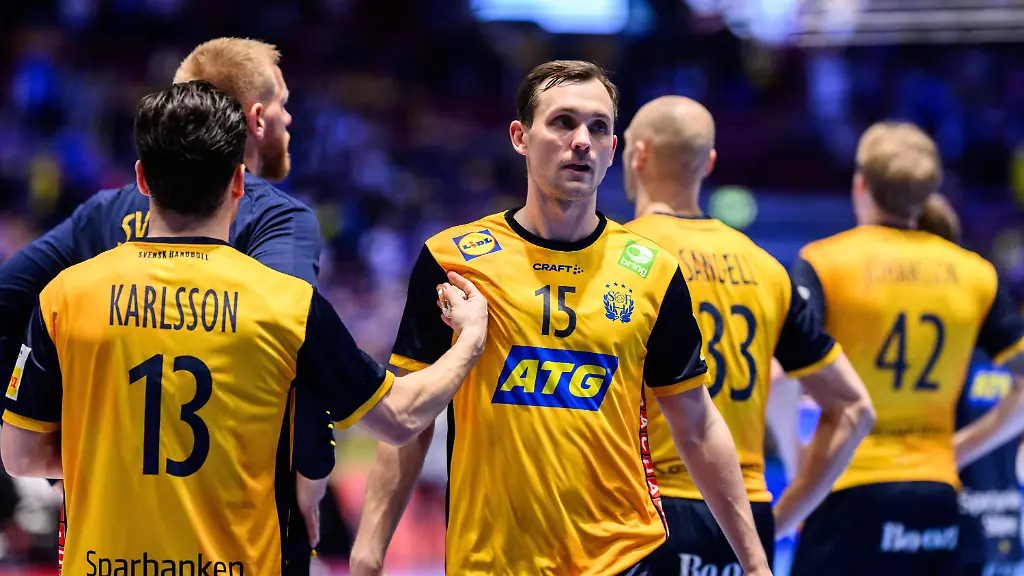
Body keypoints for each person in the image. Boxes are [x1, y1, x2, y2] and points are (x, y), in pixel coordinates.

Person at [0, 80, 488, 576]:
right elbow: (401, 418)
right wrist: (469, 339)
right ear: (238, 182)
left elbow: (19, 457)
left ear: (142, 180)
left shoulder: (64, 295)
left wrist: (107, 453)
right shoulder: (286, 303)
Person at [350, 61, 771, 576]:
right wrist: (368, 551)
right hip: (490, 561)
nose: (581, 141)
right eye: (562, 122)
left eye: (598, 127)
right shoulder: (453, 259)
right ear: (520, 137)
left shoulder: (653, 270)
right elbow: (409, 419)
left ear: (615, 150)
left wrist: (755, 564)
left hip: (621, 558)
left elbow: (698, 423)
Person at [0, 37, 331, 572]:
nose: (289, 117)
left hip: (113, 521)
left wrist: (51, 429)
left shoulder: (103, 213)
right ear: (254, 119)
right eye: (282, 103)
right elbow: (298, 350)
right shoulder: (278, 219)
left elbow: (4, 304)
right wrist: (312, 473)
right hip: (235, 522)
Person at [619, 96, 875, 575]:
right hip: (744, 515)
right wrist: (782, 518)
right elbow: (856, 410)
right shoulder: (766, 267)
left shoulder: (621, 253)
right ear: (709, 162)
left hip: (642, 511)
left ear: (637, 154)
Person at [789, 122, 1024, 576]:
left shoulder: (826, 263)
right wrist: (954, 450)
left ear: (861, 184)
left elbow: (780, 377)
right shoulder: (975, 273)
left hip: (848, 492)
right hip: (938, 497)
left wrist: (800, 460)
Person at [917, 194, 1024, 576]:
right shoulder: (1002, 341)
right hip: (1001, 533)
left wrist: (950, 454)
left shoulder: (932, 340)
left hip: (942, 534)